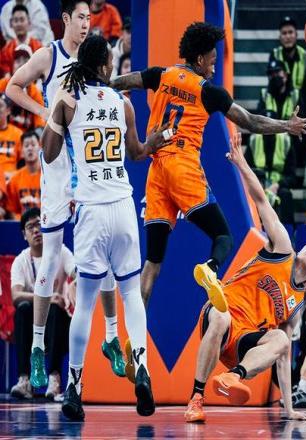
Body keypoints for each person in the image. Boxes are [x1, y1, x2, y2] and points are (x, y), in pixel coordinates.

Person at [110, 22, 306, 320]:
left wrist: (99, 83)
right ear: (200, 59)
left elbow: (124, 81)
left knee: (152, 261)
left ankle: (135, 333)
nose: (214, 69)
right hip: (183, 167)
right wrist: (286, 126)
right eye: (213, 62)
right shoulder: (208, 91)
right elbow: (250, 121)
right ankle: (210, 268)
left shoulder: (160, 75)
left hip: (157, 171)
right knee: (223, 236)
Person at [42, 35, 168, 420]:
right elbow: (137, 152)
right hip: (123, 206)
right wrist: (160, 138)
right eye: (110, 61)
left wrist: (56, 111)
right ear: (102, 66)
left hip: (92, 210)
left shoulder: (69, 100)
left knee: (85, 303)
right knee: (131, 295)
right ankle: (142, 368)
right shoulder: (122, 102)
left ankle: (74, 387)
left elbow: (48, 152)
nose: (113, 66)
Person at [6, 0, 124, 392]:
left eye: (91, 17)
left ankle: (111, 336)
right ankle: (38, 349)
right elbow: (12, 86)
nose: (88, 23)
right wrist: (44, 112)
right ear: (67, 19)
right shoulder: (49, 55)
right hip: (57, 166)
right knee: (51, 254)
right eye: (82, 17)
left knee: (104, 251)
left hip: (90, 165)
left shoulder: (93, 58)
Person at [184, 132, 306, 423]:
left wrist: (289, 409)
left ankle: (233, 377)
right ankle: (196, 399)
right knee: (221, 316)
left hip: (244, 343)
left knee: (282, 339)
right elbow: (262, 200)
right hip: (223, 313)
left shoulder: (297, 304)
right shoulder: (283, 248)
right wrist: (241, 163)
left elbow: (283, 357)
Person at [10, 208, 72, 401]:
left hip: (58, 325)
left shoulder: (61, 251)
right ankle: (25, 380)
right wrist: (46, 297)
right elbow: (15, 295)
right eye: (30, 227)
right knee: (22, 309)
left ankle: (54, 379)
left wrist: (78, 281)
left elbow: (75, 271)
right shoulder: (21, 261)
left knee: (55, 308)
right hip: (32, 328)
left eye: (39, 224)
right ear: (24, 234)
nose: (36, 230)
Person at [268, 16, 306, 115]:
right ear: (280, 37)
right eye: (284, 33)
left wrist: (301, 105)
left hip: (301, 106)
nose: (288, 36)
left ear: (296, 35)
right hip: (280, 102)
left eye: (290, 32)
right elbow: (272, 83)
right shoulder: (275, 54)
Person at [0, 45, 44, 131]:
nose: (21, 64)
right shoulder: (2, 85)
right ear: (12, 66)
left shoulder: (34, 92)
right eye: (17, 61)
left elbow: (40, 124)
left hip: (25, 137)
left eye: (25, 61)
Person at [5, 130, 41, 218]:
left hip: (45, 223)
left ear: (40, 148)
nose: (30, 148)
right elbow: (12, 211)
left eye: (33, 145)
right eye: (26, 145)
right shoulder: (14, 179)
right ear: (21, 151)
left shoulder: (48, 176)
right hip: (22, 224)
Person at [0, 4, 42, 77]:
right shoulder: (5, 51)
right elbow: (7, 78)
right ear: (11, 23)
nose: (19, 24)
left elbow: (41, 76)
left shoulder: (39, 48)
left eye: (22, 20)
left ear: (29, 22)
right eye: (16, 20)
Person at [0, 93, 23, 181]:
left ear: (8, 110)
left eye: (0, 106)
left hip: (11, 180)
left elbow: (26, 164)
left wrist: (15, 175)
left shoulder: (18, 134)